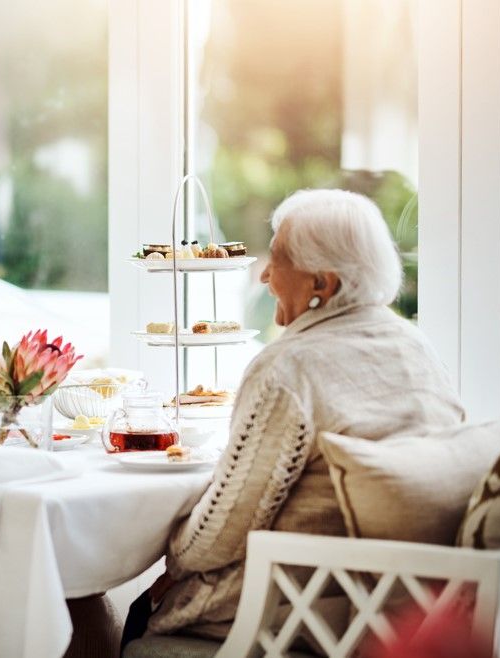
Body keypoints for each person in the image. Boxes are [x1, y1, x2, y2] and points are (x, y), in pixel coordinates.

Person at [123, 189, 465, 646]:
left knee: (128, 611)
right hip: (405, 608)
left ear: (322, 284)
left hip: (297, 608)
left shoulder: (288, 367)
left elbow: (218, 535)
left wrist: (170, 561)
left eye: (278, 258)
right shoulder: (416, 346)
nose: (263, 274)